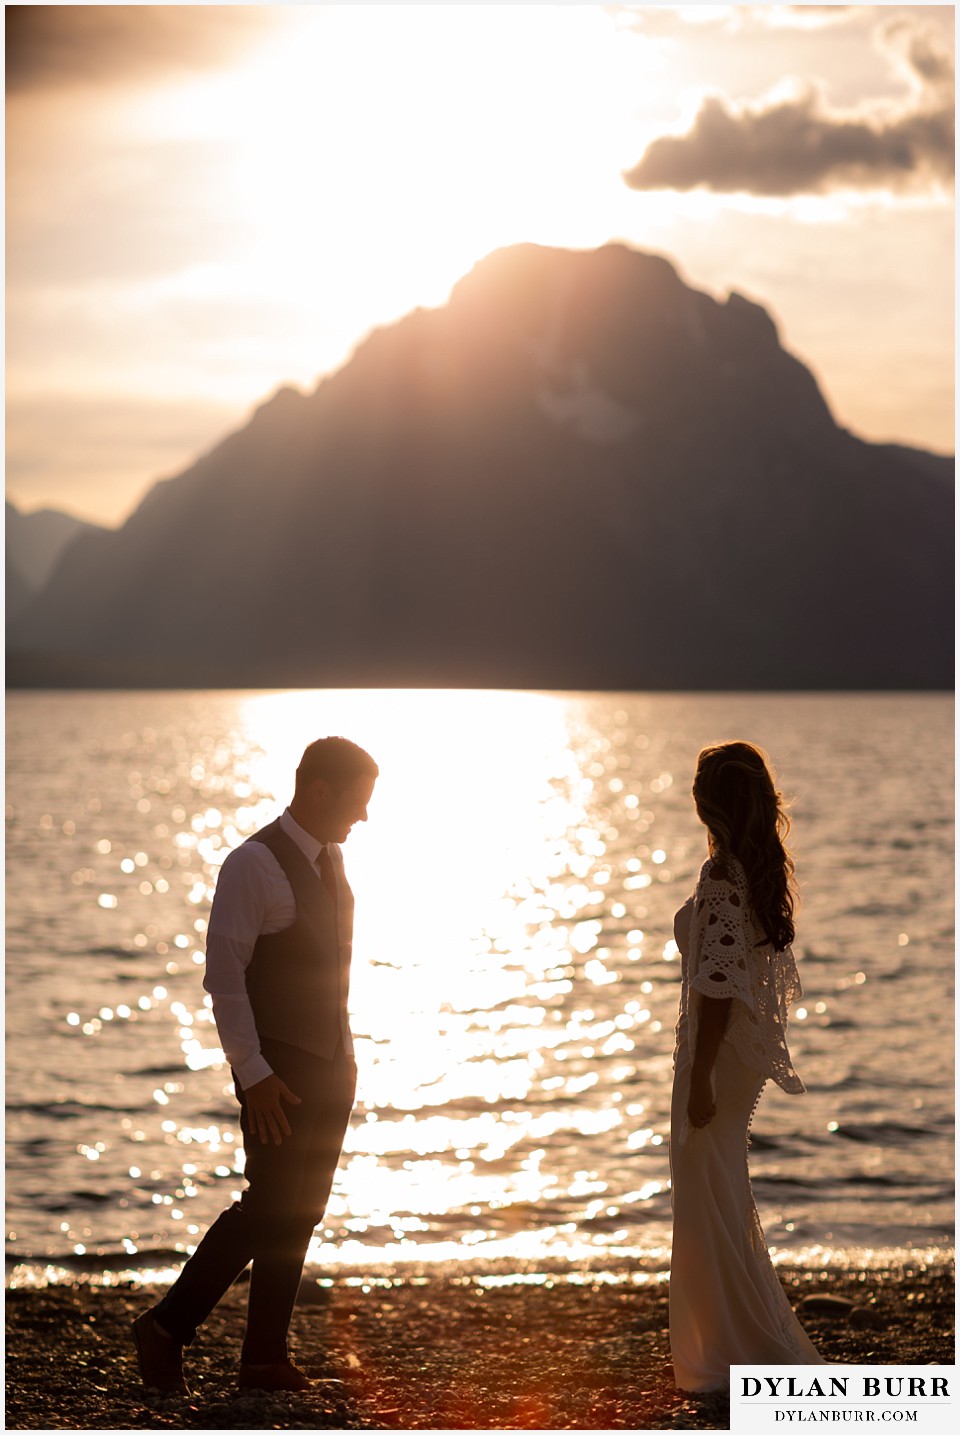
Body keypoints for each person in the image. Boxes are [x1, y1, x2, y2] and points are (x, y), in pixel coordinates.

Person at [132, 735, 378, 1395]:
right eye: (357, 801)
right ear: (319, 789)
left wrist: (346, 1059)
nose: (363, 816)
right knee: (268, 1205)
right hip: (278, 1071)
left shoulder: (332, 862)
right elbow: (225, 977)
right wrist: (255, 1073)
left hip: (333, 1064)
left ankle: (263, 1357)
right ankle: (164, 1327)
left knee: (302, 1211)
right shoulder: (253, 863)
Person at [668, 740, 822, 1392]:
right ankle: (735, 1338)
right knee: (720, 1188)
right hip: (732, 1054)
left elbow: (721, 984)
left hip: (718, 1054)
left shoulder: (724, 877)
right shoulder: (751, 872)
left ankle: (733, 1350)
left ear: (710, 804)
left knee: (707, 1190)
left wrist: (700, 1074)